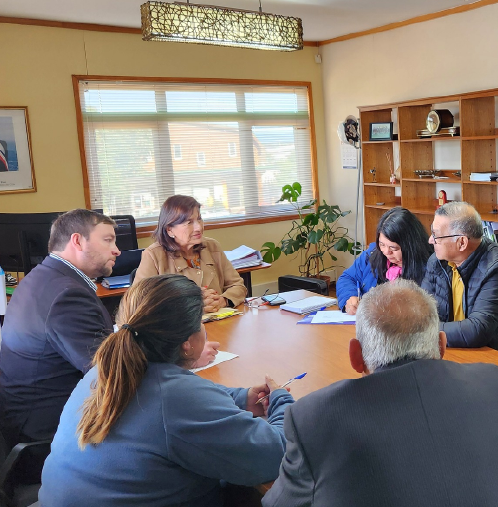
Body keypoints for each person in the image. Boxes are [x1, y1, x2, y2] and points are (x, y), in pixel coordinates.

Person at [262, 279, 498, 507]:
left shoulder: (312, 416)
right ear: (441, 345)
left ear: (356, 356)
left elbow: (280, 503)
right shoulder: (495, 382)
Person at [39, 275, 294, 507]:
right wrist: (281, 401)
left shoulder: (107, 370)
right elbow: (278, 455)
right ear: (187, 343)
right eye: (201, 322)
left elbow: (177, 400)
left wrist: (241, 398)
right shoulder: (176, 398)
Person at [0, 209, 119, 457]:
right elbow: (111, 370)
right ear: (77, 241)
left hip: (25, 416)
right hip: (47, 434)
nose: (117, 250)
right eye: (108, 240)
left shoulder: (42, 277)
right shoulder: (67, 295)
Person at [421, 201, 498, 364]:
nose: (430, 240)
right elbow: (423, 311)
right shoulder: (437, 261)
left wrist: (424, 331)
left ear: (462, 242)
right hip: (455, 349)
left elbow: (477, 330)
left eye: (436, 236)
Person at [135, 194, 247, 311]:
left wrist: (222, 301)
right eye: (189, 222)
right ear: (170, 229)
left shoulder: (212, 247)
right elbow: (139, 302)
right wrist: (192, 305)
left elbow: (238, 286)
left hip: (218, 319)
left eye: (199, 219)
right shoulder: (153, 255)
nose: (198, 227)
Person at [337, 207, 431, 314]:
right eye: (382, 244)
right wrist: (350, 297)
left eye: (393, 248)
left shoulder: (430, 268)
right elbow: (347, 278)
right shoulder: (371, 255)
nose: (386, 252)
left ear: (411, 246)